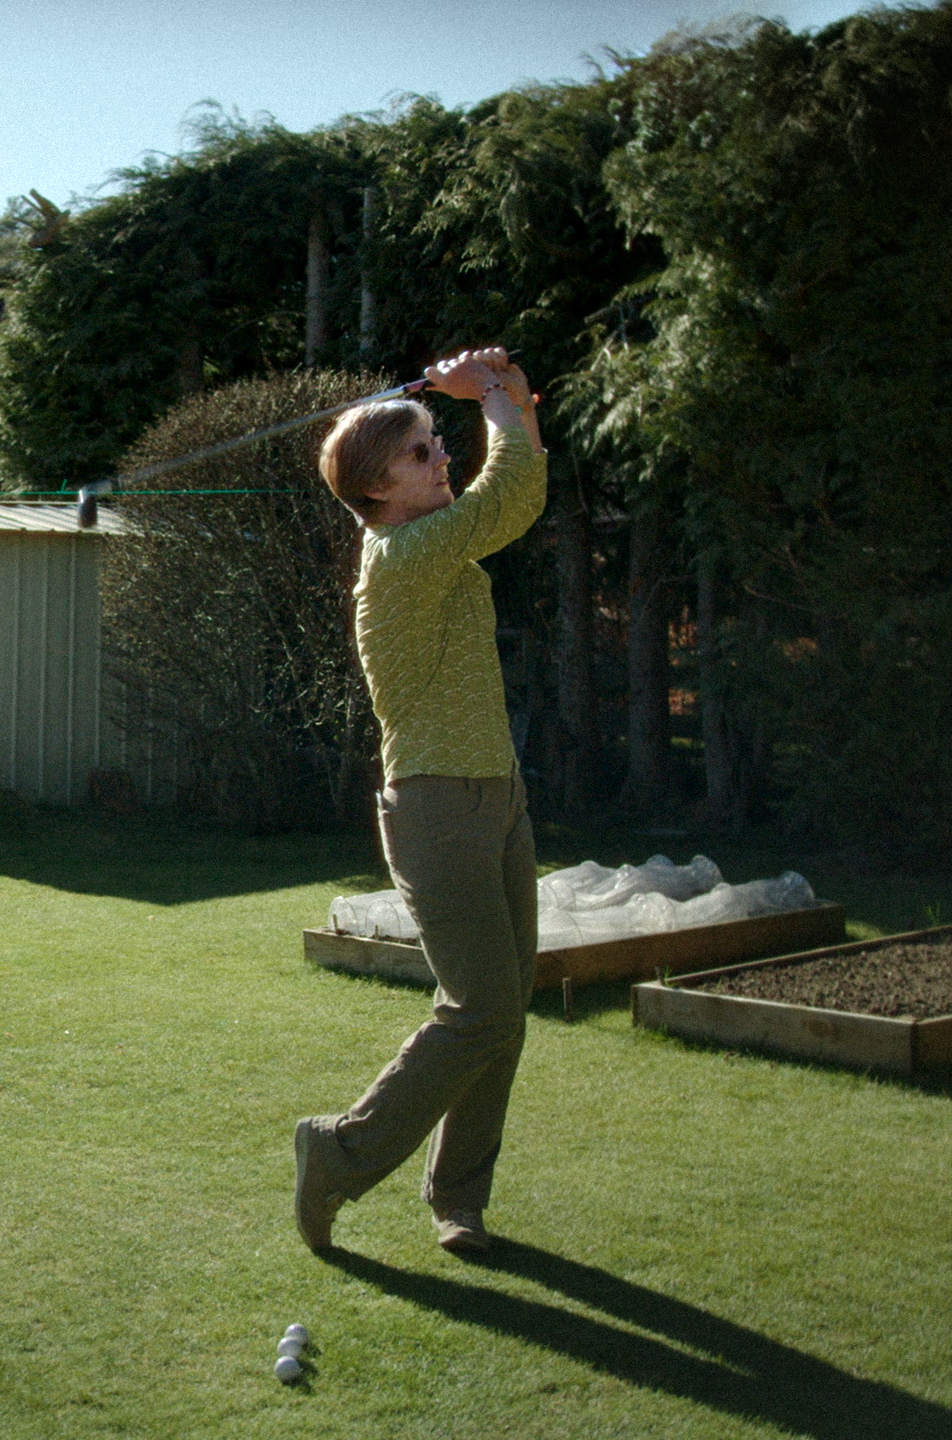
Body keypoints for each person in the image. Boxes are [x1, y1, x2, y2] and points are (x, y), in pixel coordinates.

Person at [295, 346, 546, 1256]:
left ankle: (458, 1200)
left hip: (498, 796)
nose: (442, 458)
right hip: (437, 813)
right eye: (420, 452)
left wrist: (510, 401)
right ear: (377, 489)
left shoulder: (427, 541)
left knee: (503, 1012)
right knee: (482, 1009)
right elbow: (509, 498)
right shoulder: (404, 556)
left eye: (437, 440)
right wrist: (491, 396)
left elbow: (516, 490)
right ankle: (339, 1152)